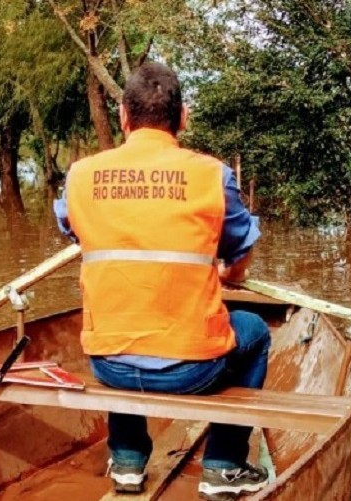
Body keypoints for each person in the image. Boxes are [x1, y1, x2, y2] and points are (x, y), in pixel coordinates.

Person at [53, 61, 270, 500]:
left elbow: (71, 226)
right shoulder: (211, 175)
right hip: (192, 370)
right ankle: (224, 465)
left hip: (108, 364)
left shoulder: (80, 176)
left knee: (124, 323)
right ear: (183, 117)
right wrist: (232, 273)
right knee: (257, 332)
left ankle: (129, 463)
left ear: (122, 116)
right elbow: (241, 245)